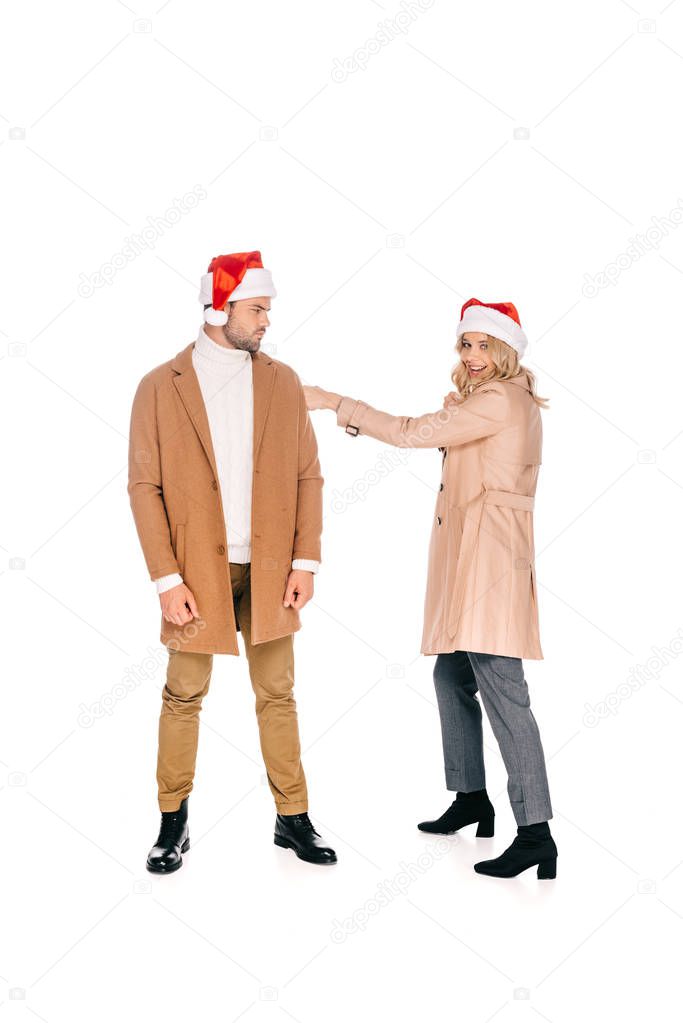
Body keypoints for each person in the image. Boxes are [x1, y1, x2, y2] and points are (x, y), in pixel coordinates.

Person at [304, 298, 557, 880]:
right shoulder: (493, 401)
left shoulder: (497, 401)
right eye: (464, 345)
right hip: (476, 558)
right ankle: (472, 797)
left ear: (505, 350)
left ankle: (536, 831)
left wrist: (336, 403)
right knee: (451, 674)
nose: (471, 355)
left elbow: (409, 432)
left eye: (482, 346)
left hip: (487, 565)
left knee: (503, 691)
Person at [127, 250, 336, 871]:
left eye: (267, 309)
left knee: (279, 692)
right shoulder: (159, 386)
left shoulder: (282, 381)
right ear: (220, 307)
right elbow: (145, 488)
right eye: (257, 308)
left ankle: (292, 818)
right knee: (183, 693)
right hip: (194, 572)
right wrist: (166, 577)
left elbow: (308, 474)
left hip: (272, 570)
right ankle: (173, 822)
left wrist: (306, 561)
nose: (266, 320)